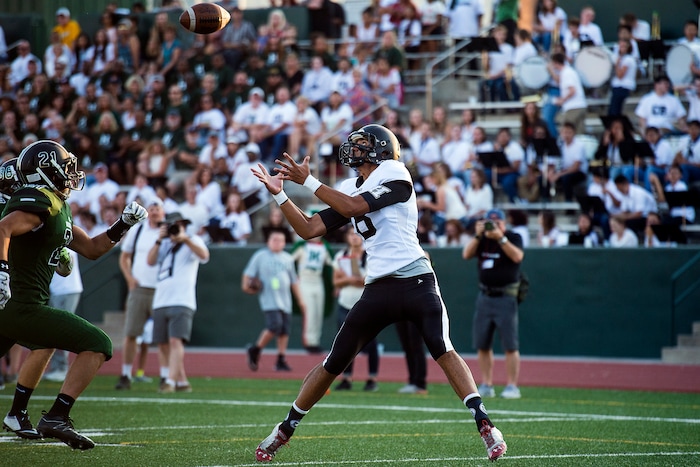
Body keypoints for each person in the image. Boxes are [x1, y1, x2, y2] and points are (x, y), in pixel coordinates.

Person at [250, 124, 507, 462]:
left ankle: (485, 423)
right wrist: (280, 195)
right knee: (333, 361)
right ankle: (284, 429)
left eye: (361, 145)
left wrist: (309, 182)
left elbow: (356, 207)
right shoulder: (347, 186)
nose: (353, 151)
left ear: (381, 149)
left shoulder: (395, 171)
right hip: (378, 287)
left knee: (442, 348)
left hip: (415, 278)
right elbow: (309, 228)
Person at [0, 140, 147, 449]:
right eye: (65, 167)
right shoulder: (41, 200)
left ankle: (20, 413)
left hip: (19, 308)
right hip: (21, 306)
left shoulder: (57, 205)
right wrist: (2, 271)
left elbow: (93, 249)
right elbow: (3, 229)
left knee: (47, 343)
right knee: (98, 343)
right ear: (45, 171)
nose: (72, 173)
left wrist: (124, 224)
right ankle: (56, 416)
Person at [462, 208, 524, 399]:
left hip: (505, 296)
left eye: (497, 222)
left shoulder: (512, 237)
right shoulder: (483, 239)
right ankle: (487, 383)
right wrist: (479, 234)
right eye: (490, 222)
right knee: (482, 343)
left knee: (510, 345)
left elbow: (517, 257)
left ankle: (512, 385)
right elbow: (466, 254)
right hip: (485, 296)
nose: (493, 226)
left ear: (504, 223)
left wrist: (500, 237)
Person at [148, 211, 209, 393]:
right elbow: (150, 261)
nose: (176, 230)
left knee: (176, 341)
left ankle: (170, 382)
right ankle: (180, 381)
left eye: (180, 226)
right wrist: (159, 240)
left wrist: (185, 239)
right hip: (161, 299)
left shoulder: (193, 240)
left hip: (182, 299)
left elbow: (204, 256)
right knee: (162, 343)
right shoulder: (164, 244)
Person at [115, 199, 166, 390]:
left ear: (163, 212)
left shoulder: (168, 231)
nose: (154, 212)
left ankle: (165, 376)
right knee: (131, 333)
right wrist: (129, 278)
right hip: (139, 287)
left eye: (157, 209)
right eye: (151, 209)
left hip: (161, 289)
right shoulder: (138, 230)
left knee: (162, 336)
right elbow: (124, 256)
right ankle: (126, 373)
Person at [242, 229, 305, 372]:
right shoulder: (260, 256)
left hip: (285, 301)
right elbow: (247, 275)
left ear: (284, 243)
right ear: (268, 241)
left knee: (284, 331)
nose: (277, 243)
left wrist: (300, 300)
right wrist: (247, 287)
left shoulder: (287, 258)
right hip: (269, 299)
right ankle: (255, 349)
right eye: (274, 239)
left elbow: (293, 281)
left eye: (280, 240)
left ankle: (281, 359)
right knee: (274, 325)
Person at [332, 228, 380, 391]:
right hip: (345, 303)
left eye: (357, 234)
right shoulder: (341, 255)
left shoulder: (371, 255)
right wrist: (350, 279)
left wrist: (349, 280)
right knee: (345, 342)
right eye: (351, 234)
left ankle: (372, 378)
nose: (354, 237)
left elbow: (368, 281)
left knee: (370, 342)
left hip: (366, 303)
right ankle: (347, 378)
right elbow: (336, 282)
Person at [43, 248, 83, 383]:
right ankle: (57, 367)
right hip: (57, 290)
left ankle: (61, 368)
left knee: (61, 329)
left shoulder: (63, 239)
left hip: (67, 290)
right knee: (55, 330)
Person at [290, 236, 333, 353]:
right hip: (304, 280)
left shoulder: (325, 247)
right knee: (310, 312)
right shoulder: (301, 246)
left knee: (318, 312)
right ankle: (309, 341)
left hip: (318, 280)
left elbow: (332, 265)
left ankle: (315, 341)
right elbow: (289, 262)